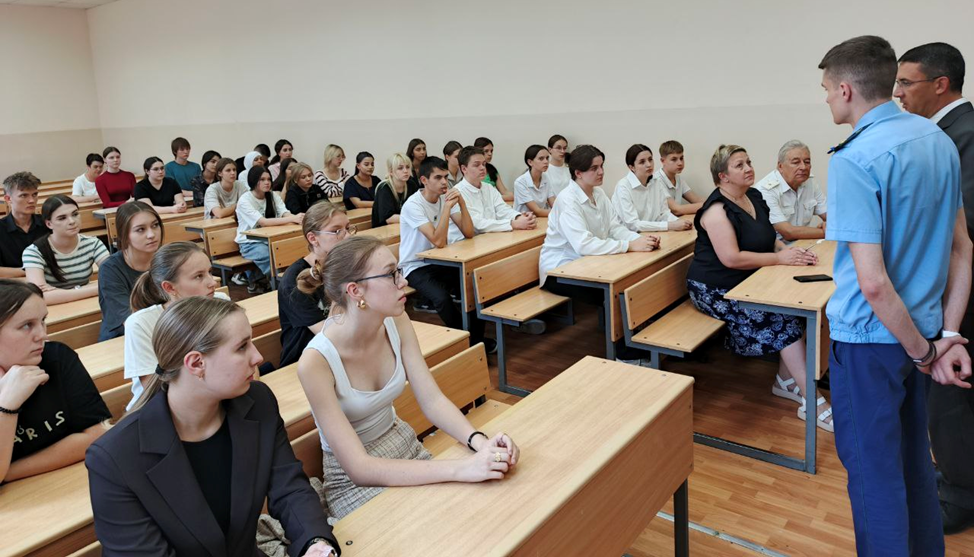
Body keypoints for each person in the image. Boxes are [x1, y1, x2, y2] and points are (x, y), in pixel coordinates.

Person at [817, 36, 972, 556]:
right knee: (913, 464)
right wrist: (946, 336)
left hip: (872, 342)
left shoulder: (855, 158)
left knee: (873, 476)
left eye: (826, 89)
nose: (826, 98)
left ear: (845, 89)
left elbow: (874, 283)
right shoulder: (939, 141)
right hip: (920, 334)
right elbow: (963, 250)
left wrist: (925, 351)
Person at [86, 296, 340, 556]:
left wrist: (315, 543)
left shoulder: (258, 402)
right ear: (196, 363)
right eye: (242, 347)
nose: (258, 356)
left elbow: (289, 489)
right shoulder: (114, 458)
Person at [296, 236, 520, 519]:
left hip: (405, 447)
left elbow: (432, 400)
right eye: (391, 274)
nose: (403, 281)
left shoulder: (396, 320)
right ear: (355, 290)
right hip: (355, 484)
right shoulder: (315, 362)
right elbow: (360, 469)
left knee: (481, 507)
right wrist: (462, 468)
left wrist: (479, 442)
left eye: (398, 271)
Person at [686, 144, 829, 426]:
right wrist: (779, 259)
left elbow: (769, 238)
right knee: (781, 317)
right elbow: (731, 258)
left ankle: (786, 381)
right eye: (739, 165)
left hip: (749, 278)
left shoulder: (753, 196)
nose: (749, 168)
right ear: (723, 176)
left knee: (798, 305)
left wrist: (791, 255)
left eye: (748, 162)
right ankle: (812, 400)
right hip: (715, 289)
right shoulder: (716, 211)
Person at [896, 41, 974, 535]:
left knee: (948, 397)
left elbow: (958, 232)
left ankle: (959, 494)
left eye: (906, 82)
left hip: (957, 297)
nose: (898, 93)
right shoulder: (950, 133)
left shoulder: (959, 138)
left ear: (940, 84)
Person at [539, 145, 659, 363]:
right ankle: (626, 355)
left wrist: (639, 240)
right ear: (578, 173)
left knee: (634, 280)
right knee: (618, 291)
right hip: (559, 271)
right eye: (594, 168)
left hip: (588, 264)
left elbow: (615, 228)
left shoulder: (599, 193)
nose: (601, 172)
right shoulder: (567, 200)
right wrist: (628, 245)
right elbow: (583, 245)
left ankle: (641, 339)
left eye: (601, 166)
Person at [0, 280, 110, 483]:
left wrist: (8, 472)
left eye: (43, 320)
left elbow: (98, 435)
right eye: (26, 326)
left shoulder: (58, 358)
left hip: (67, 483)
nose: (43, 335)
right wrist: (7, 405)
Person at [398, 157, 495, 350]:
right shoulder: (413, 205)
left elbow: (468, 232)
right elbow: (438, 241)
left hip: (440, 261)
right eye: (438, 178)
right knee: (442, 298)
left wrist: (462, 204)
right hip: (414, 266)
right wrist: (447, 209)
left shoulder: (445, 198)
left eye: (445, 177)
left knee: (474, 285)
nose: (444, 182)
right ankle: (467, 340)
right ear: (424, 180)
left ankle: (475, 338)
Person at [122, 241, 229, 409]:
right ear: (170, 287)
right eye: (199, 276)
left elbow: (243, 357)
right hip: (161, 411)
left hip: (217, 398)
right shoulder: (141, 324)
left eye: (210, 272)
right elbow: (155, 391)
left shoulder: (221, 303)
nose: (212, 282)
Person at [278, 203, 350, 368]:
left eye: (347, 228)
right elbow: (327, 336)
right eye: (336, 231)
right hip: (305, 360)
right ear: (313, 238)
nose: (347, 237)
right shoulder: (294, 282)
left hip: (342, 350)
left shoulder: (345, 266)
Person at [23, 195, 109, 305]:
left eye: (75, 214)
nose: (72, 221)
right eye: (62, 218)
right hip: (54, 309)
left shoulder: (93, 243)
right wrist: (94, 289)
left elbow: (115, 277)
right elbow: (39, 295)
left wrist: (64, 293)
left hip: (88, 303)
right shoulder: (34, 252)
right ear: (49, 224)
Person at [97, 202, 163, 341]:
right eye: (140, 230)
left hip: (165, 333)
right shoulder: (110, 269)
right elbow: (130, 321)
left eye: (155, 225)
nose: (151, 234)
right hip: (123, 338)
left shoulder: (166, 259)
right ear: (124, 235)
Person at [236, 167, 303, 294]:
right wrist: (293, 218)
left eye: (268, 179)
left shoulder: (272, 196)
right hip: (249, 243)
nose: (267, 182)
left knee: (291, 250)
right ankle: (283, 287)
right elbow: (263, 222)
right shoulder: (245, 200)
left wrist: (296, 218)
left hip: (270, 239)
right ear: (253, 181)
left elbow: (284, 212)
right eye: (262, 179)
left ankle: (260, 279)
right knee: (272, 257)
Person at [754, 140, 827, 241]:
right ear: (780, 166)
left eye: (807, 162)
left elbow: (830, 216)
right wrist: (829, 231)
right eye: (796, 162)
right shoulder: (765, 190)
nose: (803, 167)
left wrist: (829, 225)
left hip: (804, 242)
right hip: (777, 247)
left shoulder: (810, 181)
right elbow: (788, 233)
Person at [454, 146, 536, 234]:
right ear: (464, 169)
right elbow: (477, 224)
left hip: (489, 236)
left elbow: (502, 209)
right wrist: (512, 223)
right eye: (476, 165)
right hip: (467, 240)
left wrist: (519, 217)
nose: (482, 168)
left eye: (484, 164)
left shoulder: (488, 187)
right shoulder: (458, 192)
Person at [611, 144, 692, 232]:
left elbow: (664, 214)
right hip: (631, 236)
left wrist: (679, 222)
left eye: (650, 159)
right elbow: (633, 225)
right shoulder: (623, 187)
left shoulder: (656, 182)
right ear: (632, 167)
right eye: (642, 162)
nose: (649, 165)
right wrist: (670, 225)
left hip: (653, 233)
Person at [0, 172, 46, 278]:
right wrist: (32, 271)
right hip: (12, 284)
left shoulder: (48, 224)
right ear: (8, 199)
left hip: (48, 281)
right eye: (24, 195)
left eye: (35, 194)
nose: (32, 200)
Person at [655, 140, 704, 216]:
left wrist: (716, 202)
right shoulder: (656, 180)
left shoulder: (678, 178)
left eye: (681, 158)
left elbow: (696, 200)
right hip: (659, 222)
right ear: (663, 161)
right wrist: (709, 205)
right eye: (674, 159)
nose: (680, 163)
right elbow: (676, 210)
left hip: (675, 221)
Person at [371, 153, 418, 227]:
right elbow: (389, 218)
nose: (405, 171)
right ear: (391, 172)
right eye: (400, 168)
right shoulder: (384, 188)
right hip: (384, 229)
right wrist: (414, 218)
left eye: (408, 167)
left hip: (405, 225)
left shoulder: (411, 184)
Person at [513, 145, 556, 217]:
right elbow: (537, 211)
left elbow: (554, 204)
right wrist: (560, 213)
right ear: (530, 162)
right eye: (541, 159)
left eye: (547, 158)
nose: (546, 162)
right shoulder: (520, 182)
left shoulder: (545, 178)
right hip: (524, 221)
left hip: (542, 218)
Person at [473, 137, 513, 201]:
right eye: (486, 151)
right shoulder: (472, 170)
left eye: (491, 151)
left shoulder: (492, 169)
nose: (490, 154)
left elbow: (505, 191)